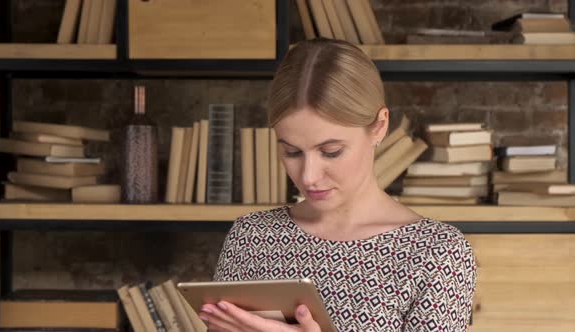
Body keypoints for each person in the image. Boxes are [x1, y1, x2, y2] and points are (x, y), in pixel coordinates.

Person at [199, 38, 477, 332]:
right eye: (292, 152)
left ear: (379, 126)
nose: (308, 176)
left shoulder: (438, 254)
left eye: (331, 152)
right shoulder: (251, 237)